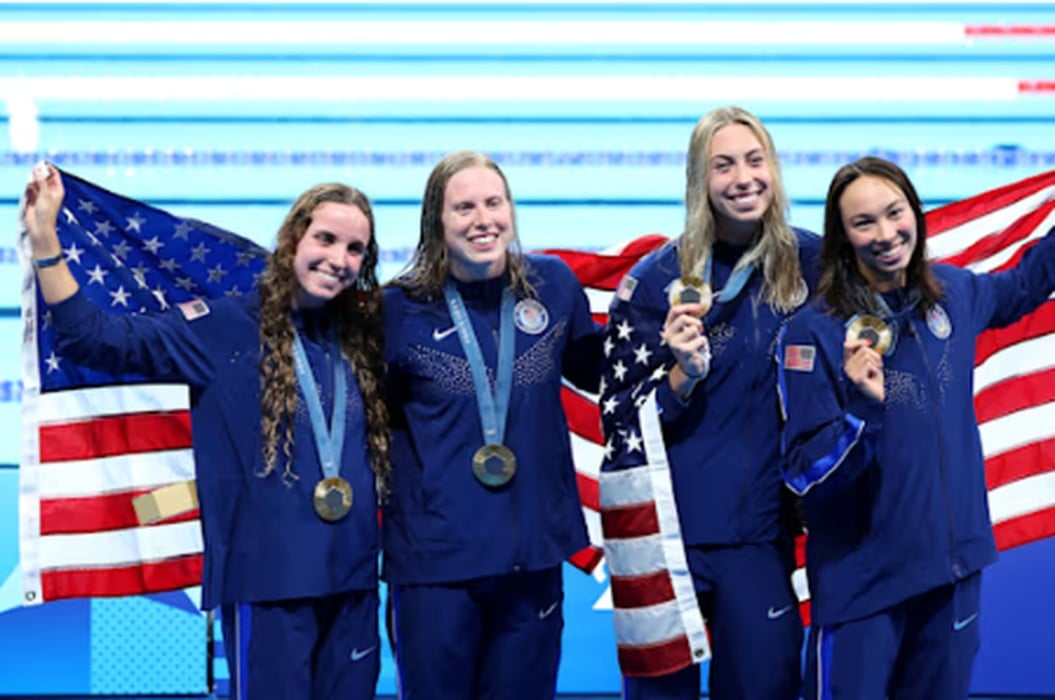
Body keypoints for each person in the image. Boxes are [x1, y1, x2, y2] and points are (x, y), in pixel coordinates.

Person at [22, 163, 389, 700]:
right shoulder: (221, 327)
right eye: (326, 239)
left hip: (353, 585)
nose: (339, 259)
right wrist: (45, 242)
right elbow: (93, 339)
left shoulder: (363, 338)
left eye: (355, 249)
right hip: (266, 585)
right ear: (293, 238)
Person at [776, 156, 1055, 699]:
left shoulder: (953, 293)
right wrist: (861, 411)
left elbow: (1026, 284)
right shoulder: (813, 333)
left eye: (895, 213)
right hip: (864, 588)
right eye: (864, 223)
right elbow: (804, 472)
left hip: (952, 574)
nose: (885, 234)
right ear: (842, 238)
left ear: (916, 214)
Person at [600, 105, 818, 699]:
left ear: (774, 168)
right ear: (699, 180)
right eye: (723, 166)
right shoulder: (654, 282)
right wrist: (681, 378)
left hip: (761, 542)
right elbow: (617, 420)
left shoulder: (815, 265)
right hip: (669, 543)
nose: (743, 178)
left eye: (754, 160)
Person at [382, 150, 603, 699]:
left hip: (531, 560)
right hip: (434, 567)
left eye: (494, 203)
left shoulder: (552, 287)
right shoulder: (397, 309)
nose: (483, 220)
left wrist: (671, 345)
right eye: (464, 208)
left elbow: (600, 373)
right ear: (436, 221)